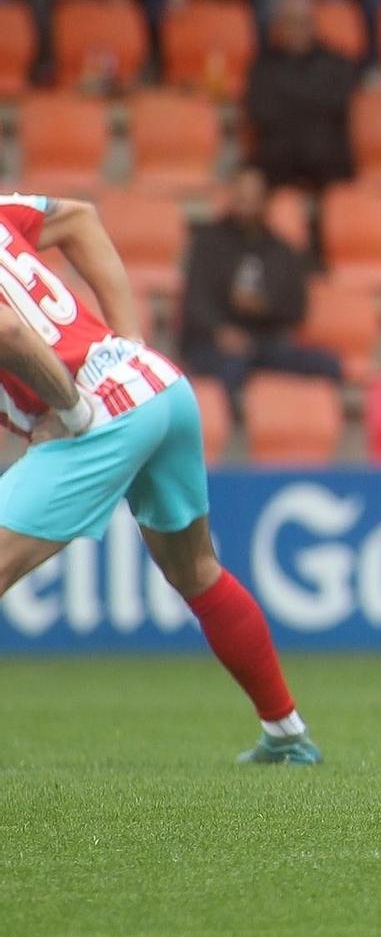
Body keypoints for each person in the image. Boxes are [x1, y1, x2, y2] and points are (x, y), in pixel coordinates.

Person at [0, 191, 323, 766]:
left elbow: (10, 334)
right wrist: (128, 343)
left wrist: (71, 408)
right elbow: (79, 216)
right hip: (155, 382)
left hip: (92, 409)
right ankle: (287, 732)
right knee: (196, 569)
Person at [180, 167, 344, 404]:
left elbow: (297, 309)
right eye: (241, 197)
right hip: (214, 343)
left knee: (328, 364)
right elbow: (195, 302)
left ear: (265, 202)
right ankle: (230, 433)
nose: (246, 206)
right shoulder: (208, 244)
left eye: (253, 199)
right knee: (229, 369)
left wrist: (263, 307)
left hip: (264, 342)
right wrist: (221, 332)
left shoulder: (281, 251)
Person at [244, 0, 361, 191]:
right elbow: (260, 112)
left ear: (313, 24)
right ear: (279, 26)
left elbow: (337, 105)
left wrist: (289, 99)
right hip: (277, 161)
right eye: (290, 22)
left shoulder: (337, 63)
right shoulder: (262, 66)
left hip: (326, 160)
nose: (297, 29)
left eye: (303, 22)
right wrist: (309, 100)